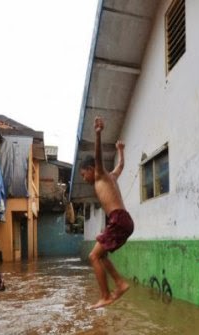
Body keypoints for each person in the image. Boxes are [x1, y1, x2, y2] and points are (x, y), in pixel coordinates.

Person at [79, 116, 134, 309]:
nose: (83, 178)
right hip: (123, 221)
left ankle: (105, 296)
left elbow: (98, 157)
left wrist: (98, 133)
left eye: (83, 174)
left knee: (93, 257)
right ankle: (120, 283)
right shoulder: (111, 177)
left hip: (119, 219)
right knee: (101, 255)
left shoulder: (100, 175)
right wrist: (121, 151)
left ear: (91, 169)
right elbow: (120, 167)